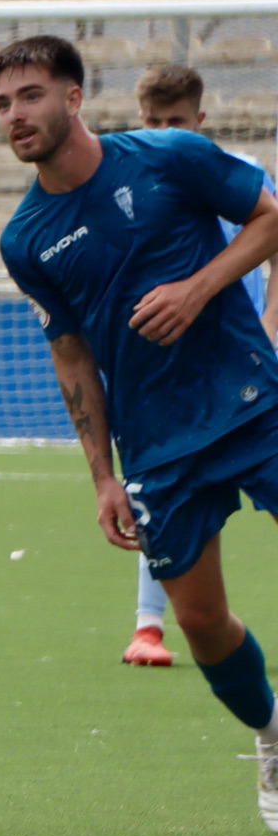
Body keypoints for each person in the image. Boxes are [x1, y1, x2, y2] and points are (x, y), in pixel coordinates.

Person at [0, 36, 278, 827]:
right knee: (199, 622)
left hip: (253, 402)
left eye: (31, 96)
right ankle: (272, 733)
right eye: (3, 105)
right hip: (157, 446)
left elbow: (267, 219)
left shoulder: (169, 156)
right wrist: (101, 475)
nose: (15, 116)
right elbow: (72, 356)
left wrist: (199, 288)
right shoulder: (26, 239)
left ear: (74, 98)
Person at [121, 64, 278, 667]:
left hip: (245, 369)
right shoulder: (126, 181)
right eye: (154, 122)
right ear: (139, 121)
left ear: (200, 122)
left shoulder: (234, 172)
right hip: (174, 372)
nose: (165, 132)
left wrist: (268, 327)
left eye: (177, 122)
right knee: (166, 493)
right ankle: (148, 626)